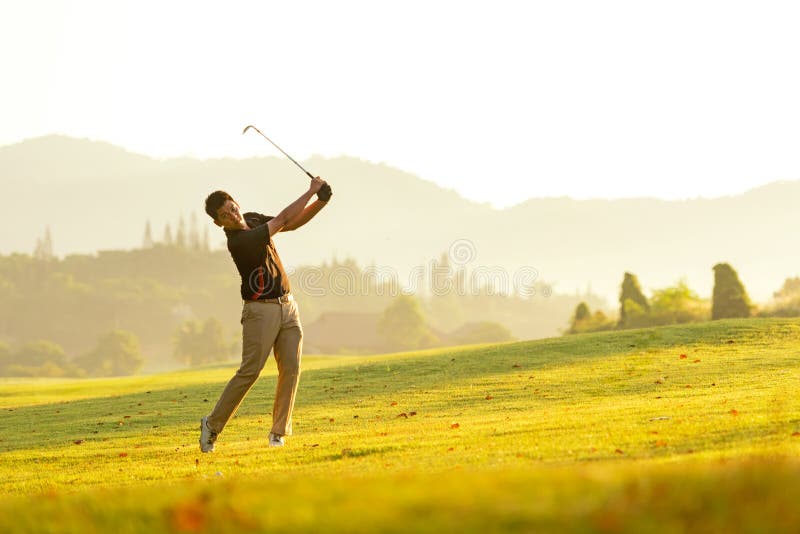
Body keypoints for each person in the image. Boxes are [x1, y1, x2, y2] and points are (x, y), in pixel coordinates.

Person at [199, 177, 332, 452]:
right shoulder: (238, 241)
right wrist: (310, 190)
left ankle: (278, 434)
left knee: (291, 369)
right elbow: (283, 218)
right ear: (218, 223)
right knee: (250, 372)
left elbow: (291, 223)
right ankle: (212, 425)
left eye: (232, 208)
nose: (233, 216)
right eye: (225, 215)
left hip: (288, 305)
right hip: (260, 312)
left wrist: (320, 202)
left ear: (236, 203)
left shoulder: (253, 219)